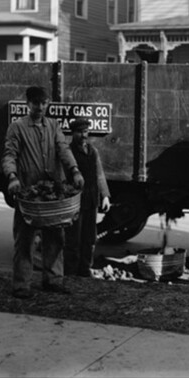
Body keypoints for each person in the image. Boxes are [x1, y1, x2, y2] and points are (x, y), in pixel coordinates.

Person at [2, 86, 85, 298]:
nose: (40, 107)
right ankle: (21, 285)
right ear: (27, 104)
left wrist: (75, 171)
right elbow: (10, 154)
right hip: (29, 193)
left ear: (48, 104)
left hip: (53, 192)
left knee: (56, 237)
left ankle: (53, 281)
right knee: (25, 239)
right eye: (35, 103)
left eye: (43, 103)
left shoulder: (53, 125)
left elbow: (63, 149)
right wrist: (12, 177)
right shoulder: (17, 127)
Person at [64, 118, 111, 277]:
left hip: (91, 201)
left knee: (89, 237)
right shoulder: (68, 152)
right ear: (73, 133)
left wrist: (105, 196)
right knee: (73, 238)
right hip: (75, 202)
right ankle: (71, 271)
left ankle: (85, 269)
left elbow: (99, 174)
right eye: (79, 132)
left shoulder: (93, 151)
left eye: (85, 131)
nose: (83, 135)